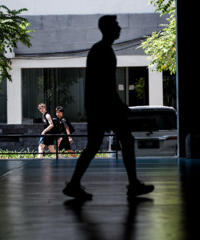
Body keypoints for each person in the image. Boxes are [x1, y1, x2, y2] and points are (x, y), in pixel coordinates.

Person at [63, 15, 154, 199]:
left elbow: (102, 85)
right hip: (104, 107)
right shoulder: (103, 51)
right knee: (123, 141)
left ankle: (74, 184)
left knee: (95, 145)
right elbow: (105, 85)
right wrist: (120, 106)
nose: (120, 28)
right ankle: (133, 185)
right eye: (116, 25)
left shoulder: (100, 50)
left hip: (99, 107)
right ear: (108, 29)